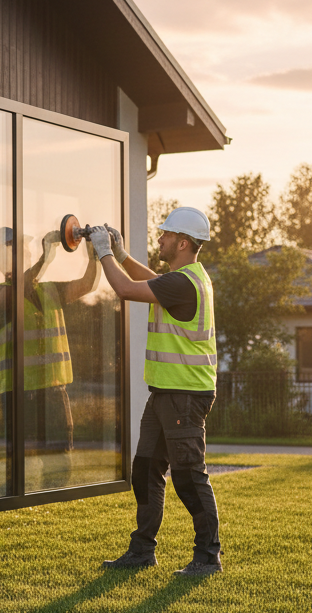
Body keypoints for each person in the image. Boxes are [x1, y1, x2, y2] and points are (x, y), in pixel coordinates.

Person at [87, 208, 222, 576]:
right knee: (145, 469)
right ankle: (142, 550)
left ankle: (208, 557)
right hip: (166, 393)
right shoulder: (183, 279)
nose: (159, 239)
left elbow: (127, 290)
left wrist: (105, 253)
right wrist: (123, 254)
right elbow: (151, 281)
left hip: (184, 395)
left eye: (164, 235)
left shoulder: (184, 283)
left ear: (182, 242)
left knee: (189, 475)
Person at [0, 226, 99, 485]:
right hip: (17, 392)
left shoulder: (48, 290)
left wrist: (95, 253)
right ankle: (11, 503)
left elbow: (88, 284)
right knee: (18, 466)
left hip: (54, 390)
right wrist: (46, 257)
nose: (25, 250)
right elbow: (19, 290)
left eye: (25, 246)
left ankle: (49, 502)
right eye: (18, 246)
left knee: (59, 461)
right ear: (0, 257)